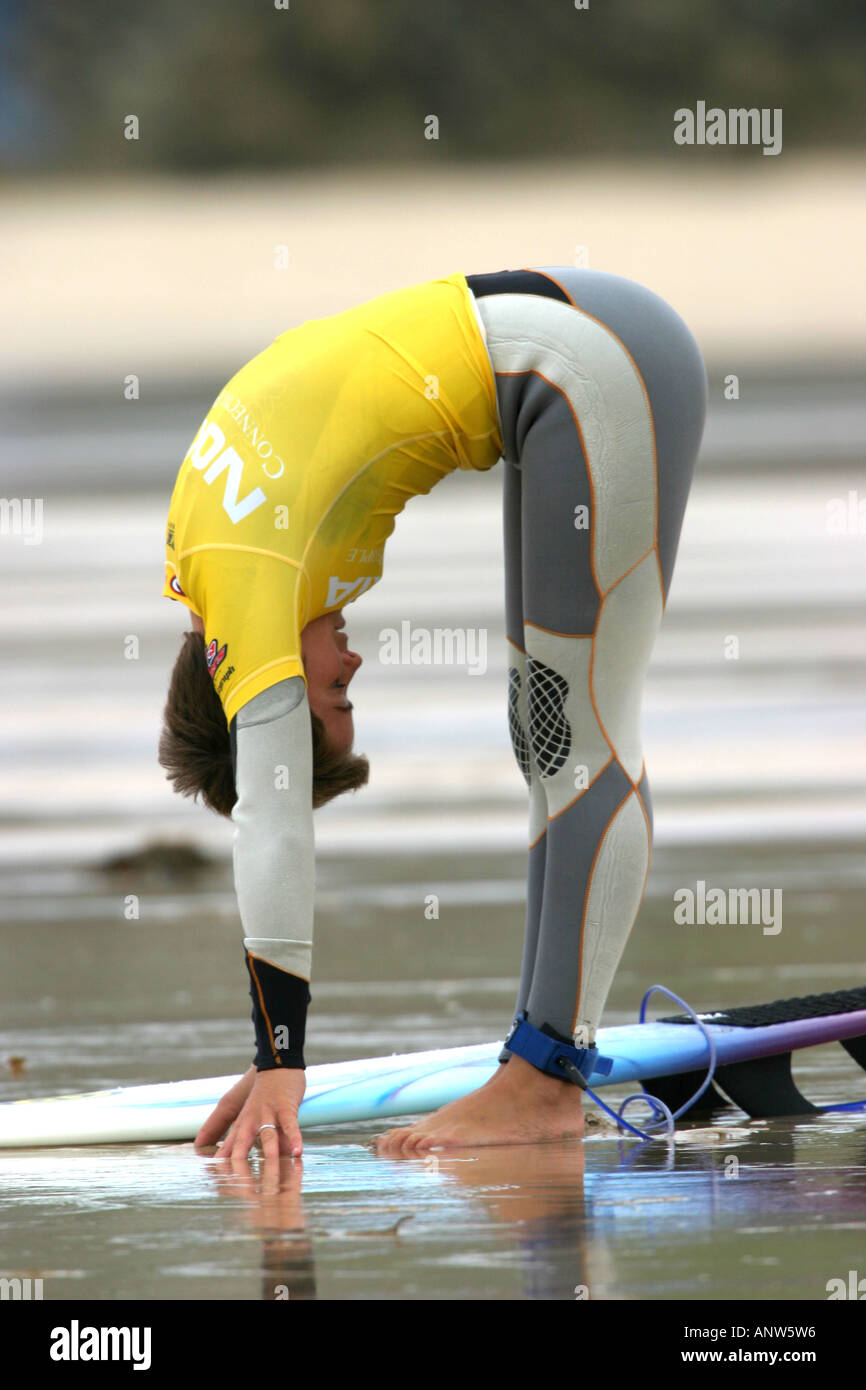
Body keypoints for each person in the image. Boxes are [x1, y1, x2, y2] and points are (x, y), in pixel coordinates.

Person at [158, 266, 706, 1160]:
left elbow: (272, 818)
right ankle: (535, 1052)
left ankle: (544, 1082)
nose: (354, 661)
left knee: (577, 733)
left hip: (592, 365)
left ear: (258, 695)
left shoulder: (246, 592)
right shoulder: (197, 558)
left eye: (332, 693)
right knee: (544, 731)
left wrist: (280, 1059)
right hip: (564, 363)